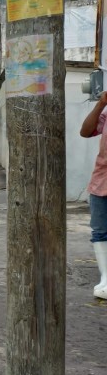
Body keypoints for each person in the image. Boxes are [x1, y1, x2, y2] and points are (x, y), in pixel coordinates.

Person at [80, 90, 107, 299]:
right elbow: (86, 131)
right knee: (100, 232)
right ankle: (106, 279)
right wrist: (101, 104)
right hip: (102, 181)